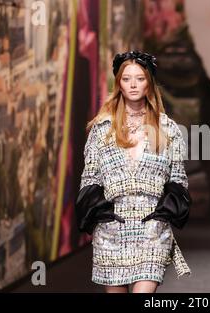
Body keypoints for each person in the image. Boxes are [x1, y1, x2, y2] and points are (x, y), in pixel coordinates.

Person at [78, 51, 191, 293]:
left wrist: (163, 215)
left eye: (139, 78)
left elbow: (178, 179)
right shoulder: (102, 129)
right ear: (118, 83)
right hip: (111, 231)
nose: (133, 84)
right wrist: (102, 216)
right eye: (127, 78)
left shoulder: (167, 128)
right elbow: (90, 178)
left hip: (152, 230)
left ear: (149, 82)